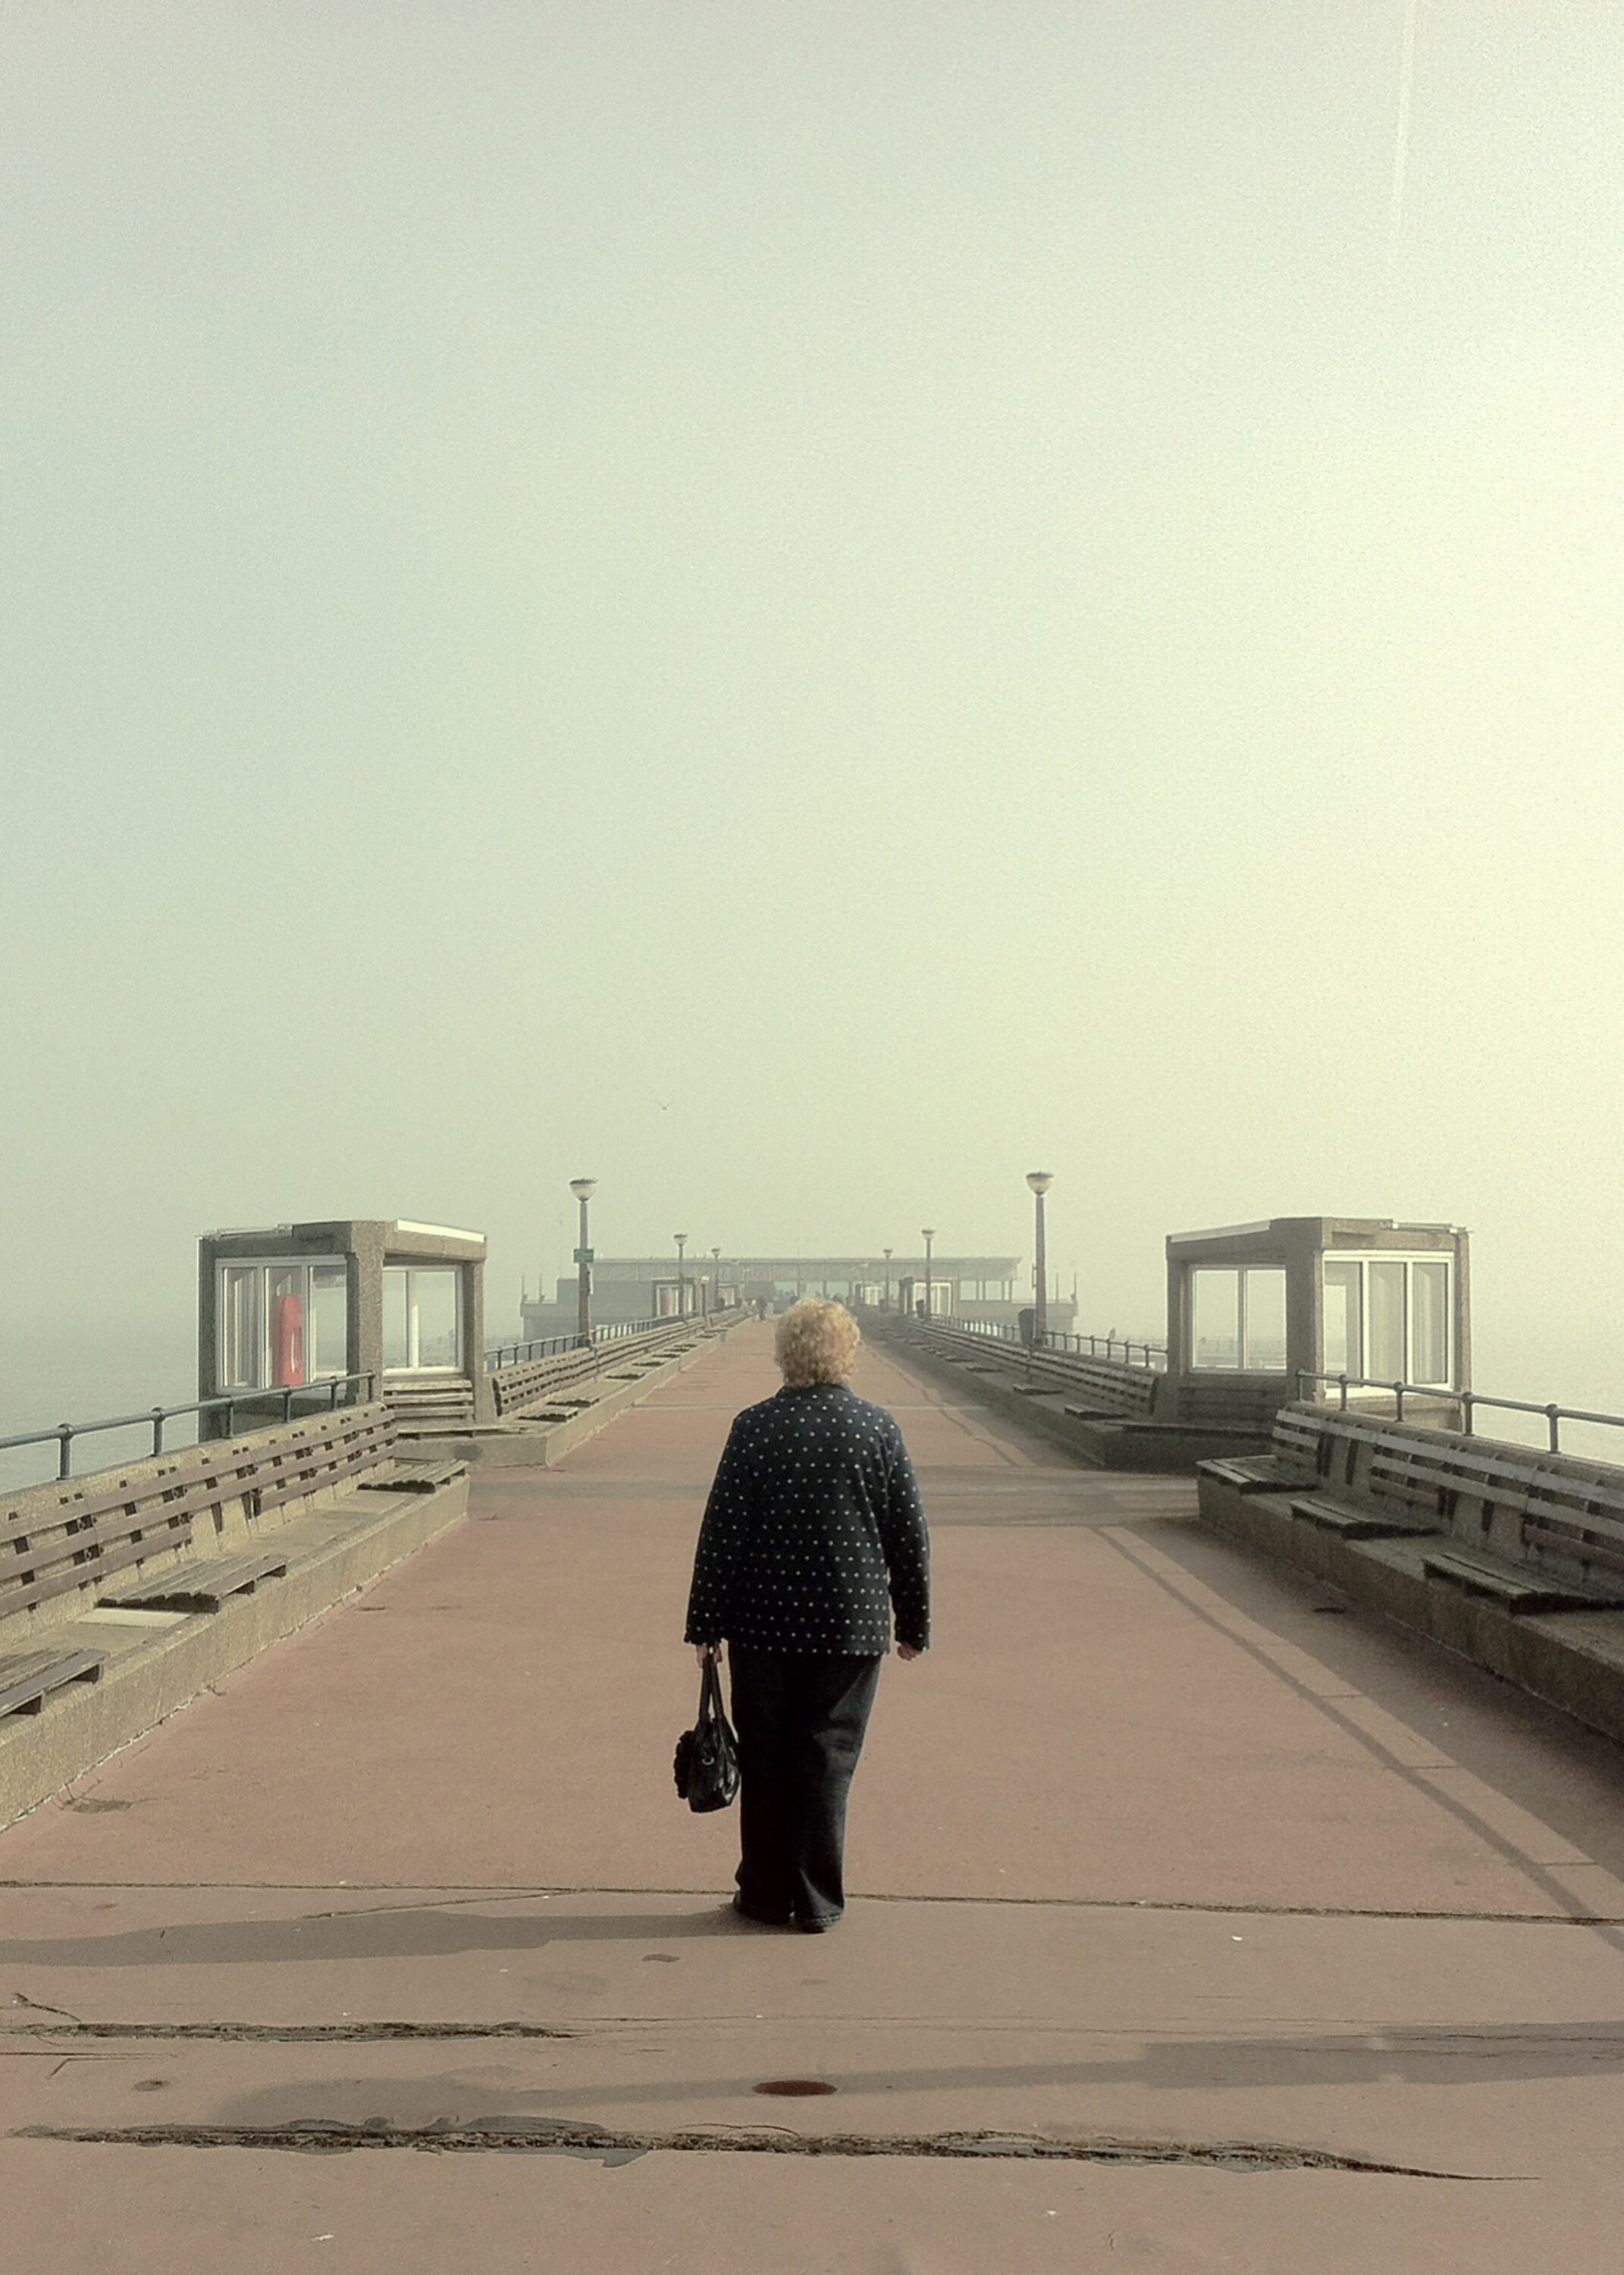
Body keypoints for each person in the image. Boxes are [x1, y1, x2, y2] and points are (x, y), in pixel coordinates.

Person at [684, 1298, 930, 1932]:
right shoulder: (878, 1430)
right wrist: (913, 1623)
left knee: (765, 1757)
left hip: (762, 1623)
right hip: (849, 1625)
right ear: (846, 1353)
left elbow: (723, 1531)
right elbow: (907, 1534)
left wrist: (705, 1623)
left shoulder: (754, 1426)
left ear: (785, 1354)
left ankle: (764, 1893)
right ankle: (818, 1899)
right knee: (828, 1758)